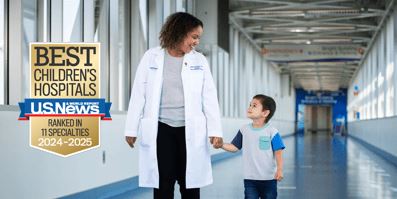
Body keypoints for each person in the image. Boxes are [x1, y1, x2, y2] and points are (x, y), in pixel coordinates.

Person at [124, 12, 223, 199]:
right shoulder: (151, 57)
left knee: (190, 184)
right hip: (161, 129)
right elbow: (138, 94)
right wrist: (131, 128)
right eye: (194, 37)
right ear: (179, 32)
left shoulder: (199, 61)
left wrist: (215, 130)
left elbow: (209, 97)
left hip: (190, 129)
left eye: (198, 38)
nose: (196, 42)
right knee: (163, 183)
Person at [222, 94, 285, 199]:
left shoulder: (272, 132)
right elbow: (234, 147)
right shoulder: (244, 130)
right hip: (250, 179)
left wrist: (279, 169)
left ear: (265, 113)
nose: (250, 107)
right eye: (250, 105)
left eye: (254, 105)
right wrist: (221, 145)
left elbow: (278, 151)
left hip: (269, 179)